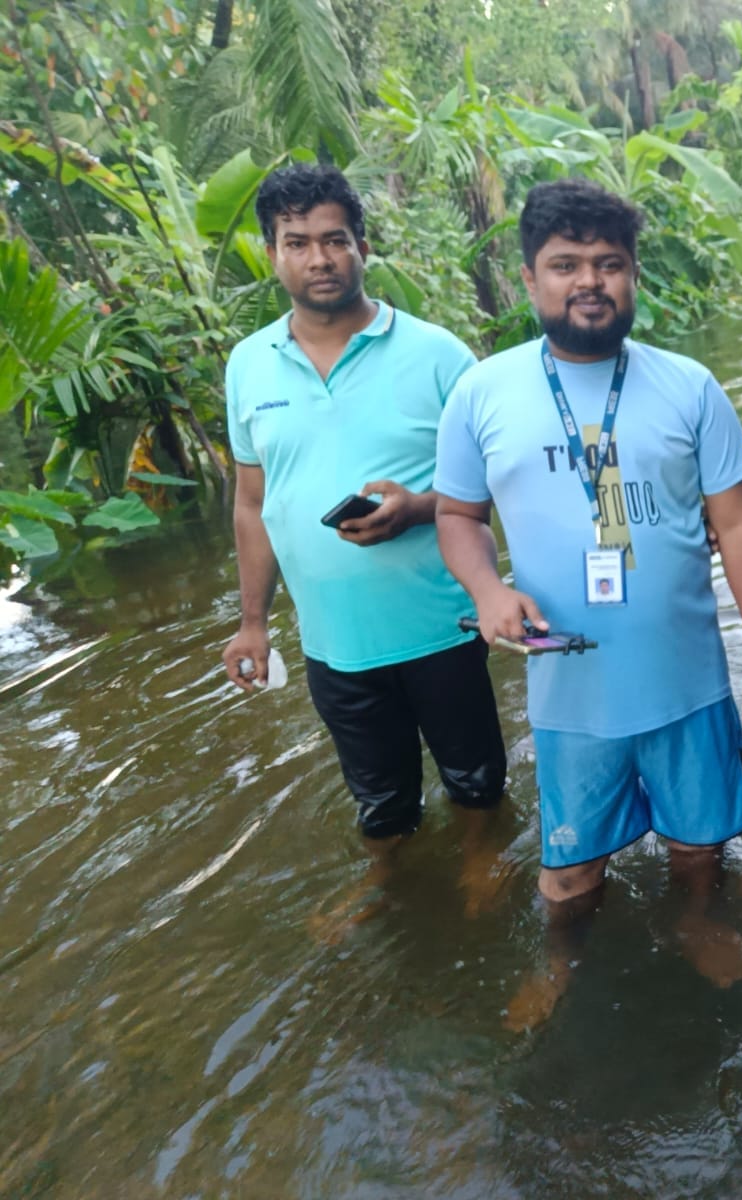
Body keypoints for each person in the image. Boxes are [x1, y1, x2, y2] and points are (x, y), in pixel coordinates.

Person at [434, 179, 742, 1024]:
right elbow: (456, 514)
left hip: (685, 682)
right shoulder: (482, 394)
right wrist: (488, 589)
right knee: (569, 869)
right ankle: (563, 962)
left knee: (699, 841)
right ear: (530, 280)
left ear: (633, 277)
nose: (588, 280)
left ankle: (696, 921)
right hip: (570, 692)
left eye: (609, 263)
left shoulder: (688, 386)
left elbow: (738, 527)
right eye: (565, 264)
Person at [221, 164, 507, 912]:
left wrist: (415, 508)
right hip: (333, 643)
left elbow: (500, 483)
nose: (319, 258)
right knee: (379, 797)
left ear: (362, 246)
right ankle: (384, 880)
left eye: (334, 240)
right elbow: (253, 504)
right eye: (297, 243)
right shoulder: (249, 366)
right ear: (273, 252)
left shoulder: (437, 354)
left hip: (441, 625)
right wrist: (253, 624)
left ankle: (482, 862)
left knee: (475, 777)